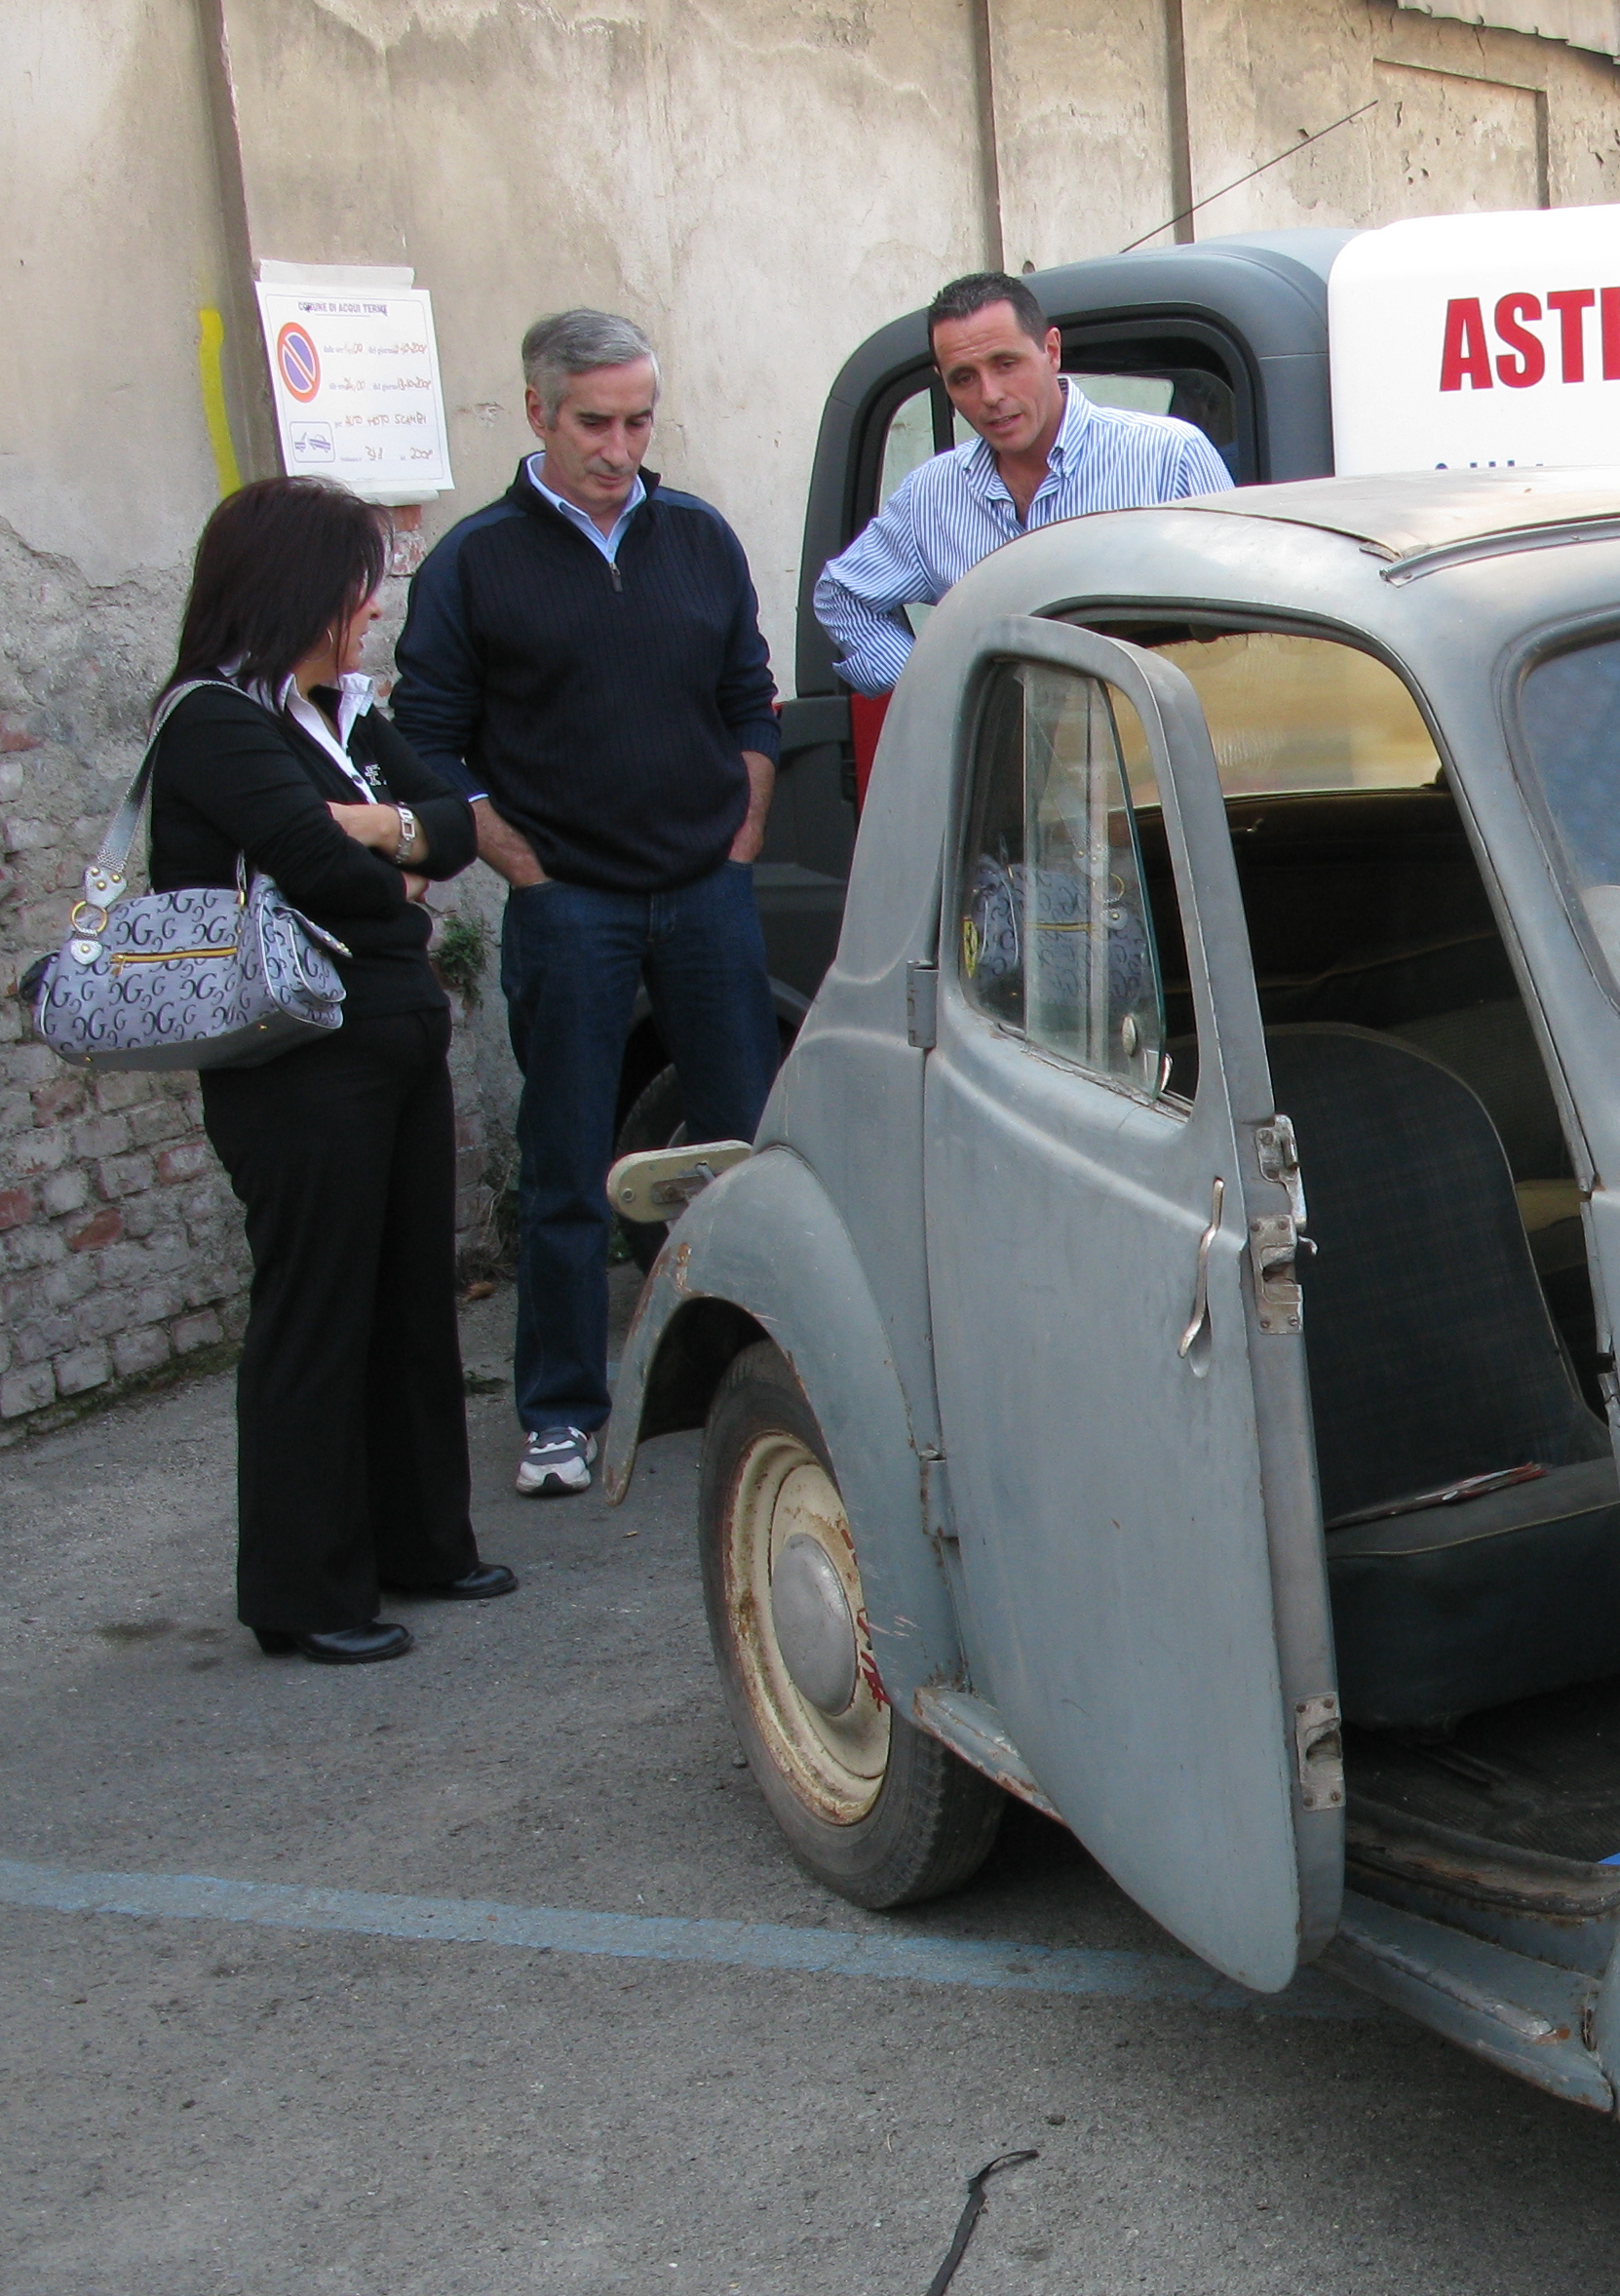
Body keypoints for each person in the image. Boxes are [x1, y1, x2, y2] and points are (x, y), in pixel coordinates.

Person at [392, 309, 783, 1499]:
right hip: (570, 904)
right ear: (537, 414)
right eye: (594, 423)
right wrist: (512, 858)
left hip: (703, 893)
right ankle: (563, 1410)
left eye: (639, 420)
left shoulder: (699, 538)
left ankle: (769, 1375)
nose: (620, 448)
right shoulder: (475, 562)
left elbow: (748, 698)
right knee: (567, 1162)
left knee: (746, 1155)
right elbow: (426, 741)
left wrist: (745, 828)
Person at [146, 478, 508, 1663]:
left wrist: (389, 833)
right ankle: (305, 1592)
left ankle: (419, 1544)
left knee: (410, 1299)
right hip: (299, 1063)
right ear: (295, 587)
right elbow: (327, 872)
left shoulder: (340, 715)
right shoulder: (213, 719)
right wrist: (382, 847)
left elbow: (454, 824)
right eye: (356, 581)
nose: (370, 605)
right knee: (317, 1311)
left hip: (390, 1033)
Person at [811, 270, 1233, 695]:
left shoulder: (1166, 457)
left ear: (1051, 350)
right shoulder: (934, 495)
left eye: (1005, 364)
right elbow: (842, 596)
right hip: (1001, 757)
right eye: (964, 378)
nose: (990, 394)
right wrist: (934, 693)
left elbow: (1241, 609)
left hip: (1151, 747)